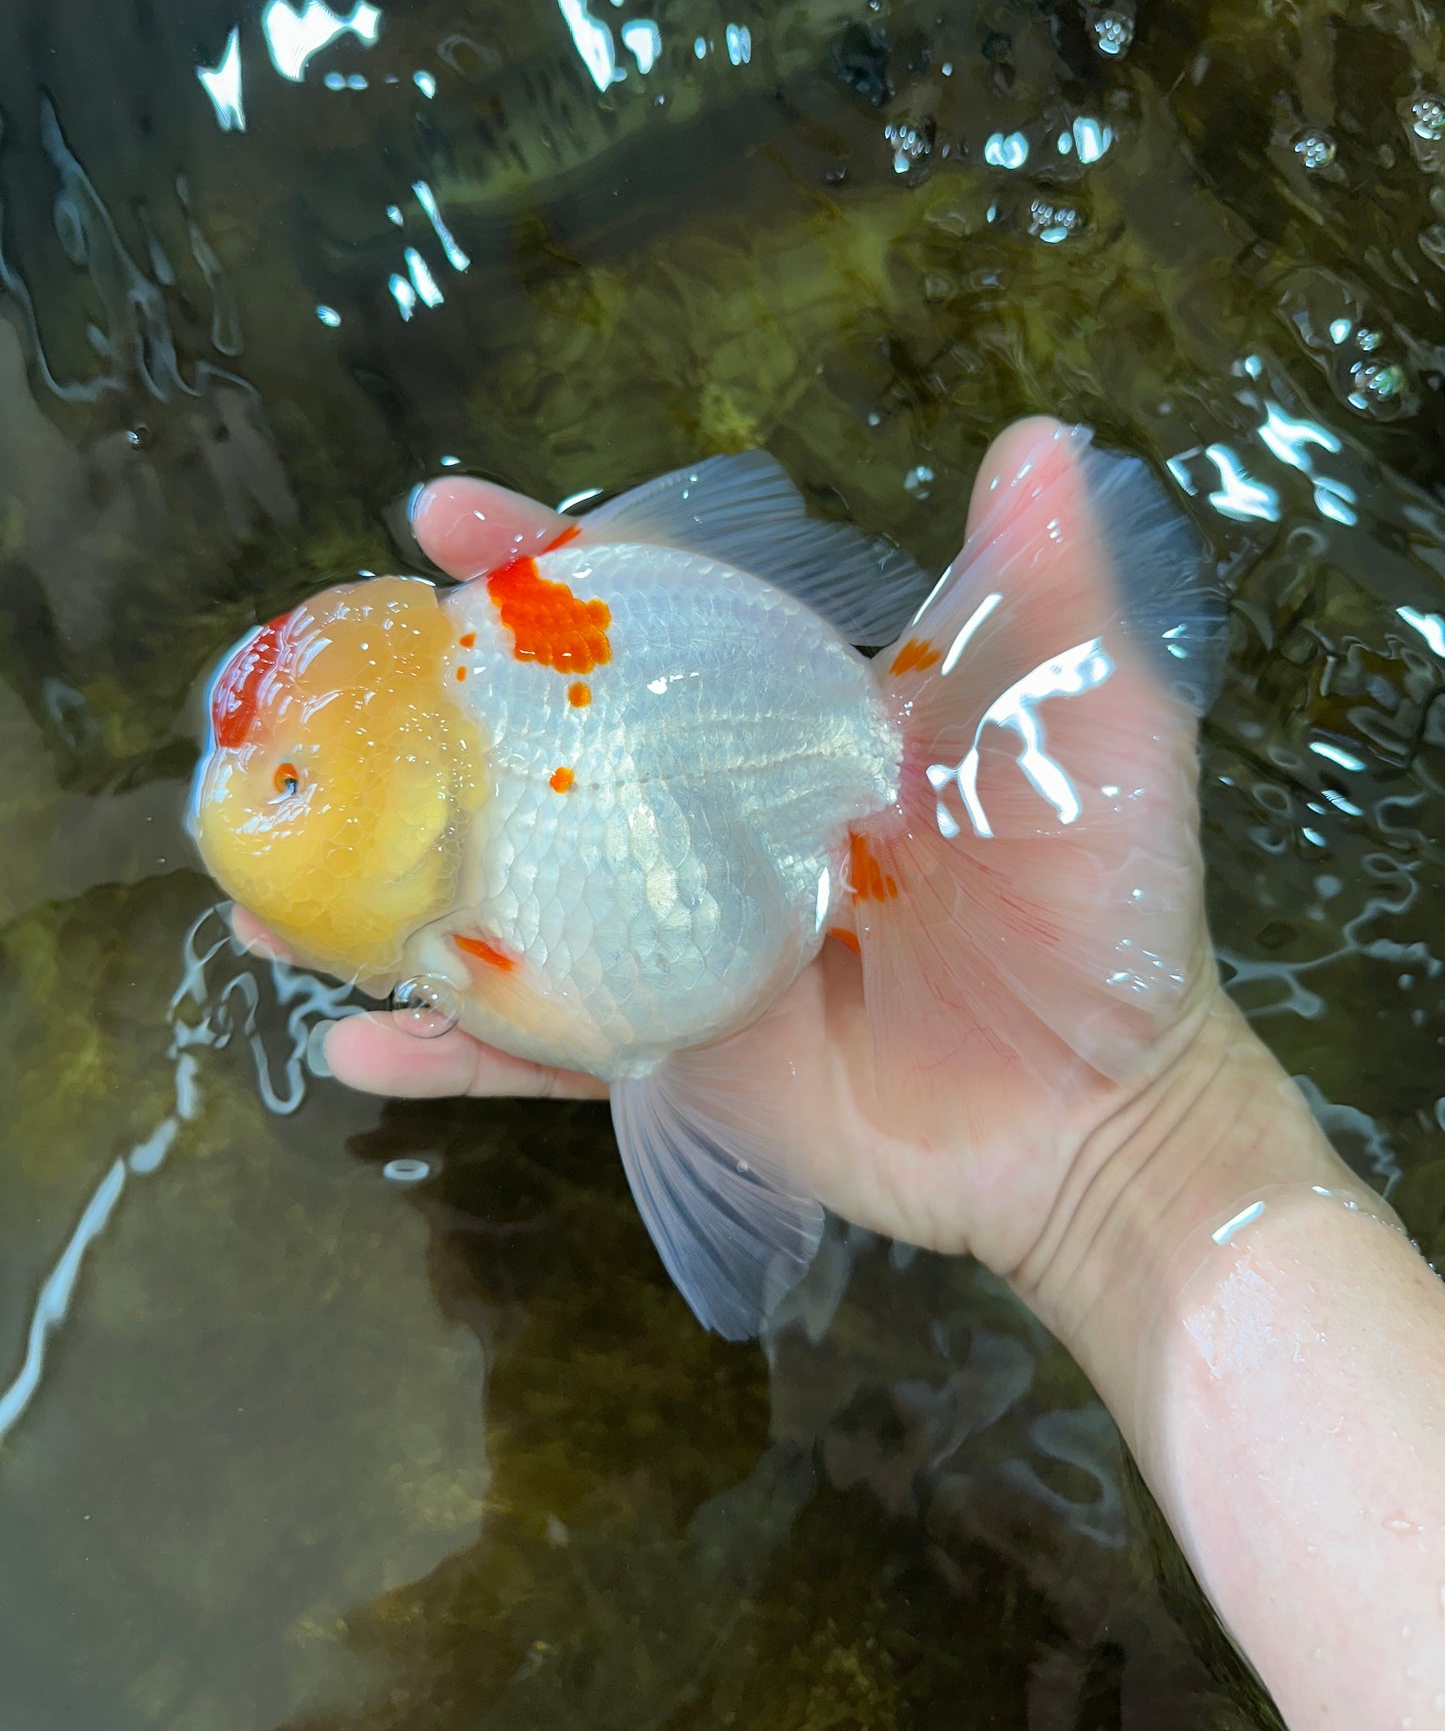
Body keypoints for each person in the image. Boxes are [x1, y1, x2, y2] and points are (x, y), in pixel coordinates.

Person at [235, 443, 1445, 1730]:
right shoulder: (460, 731)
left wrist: (1134, 1134)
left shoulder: (475, 860)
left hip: (765, 788)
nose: (265, 799)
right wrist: (1140, 1161)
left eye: (291, 783)